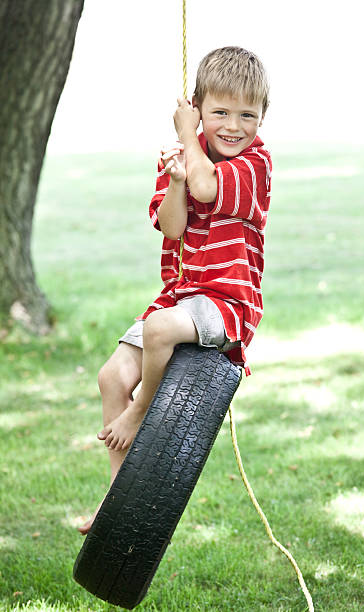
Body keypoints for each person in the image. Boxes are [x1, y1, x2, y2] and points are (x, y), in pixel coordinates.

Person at [78, 46, 272, 535]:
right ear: (200, 107)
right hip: (182, 296)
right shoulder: (185, 161)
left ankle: (138, 411)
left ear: (262, 118)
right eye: (219, 113)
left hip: (228, 304)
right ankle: (116, 500)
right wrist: (176, 181)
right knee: (109, 376)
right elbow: (172, 225)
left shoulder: (255, 165)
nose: (233, 126)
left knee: (160, 328)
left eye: (247, 115)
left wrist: (187, 133)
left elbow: (211, 188)